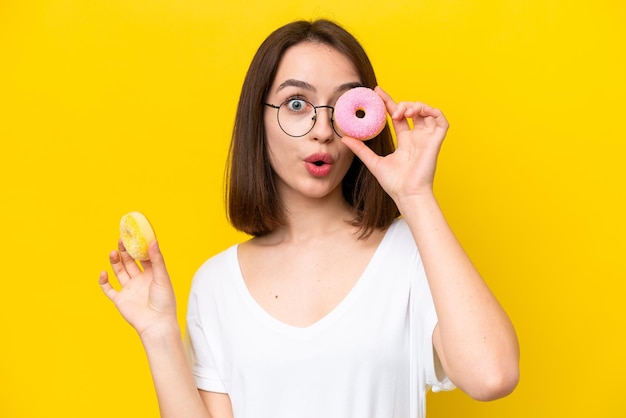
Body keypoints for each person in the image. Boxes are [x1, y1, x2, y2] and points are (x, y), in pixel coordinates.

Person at [99, 19, 519, 418]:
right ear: (257, 120)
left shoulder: (411, 254)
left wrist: (415, 196)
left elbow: (492, 375)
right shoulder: (217, 284)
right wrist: (159, 335)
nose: (322, 130)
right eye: (296, 104)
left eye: (342, 107)